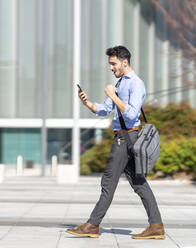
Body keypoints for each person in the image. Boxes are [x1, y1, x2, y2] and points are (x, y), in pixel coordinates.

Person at [66, 46, 165, 239]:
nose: (111, 68)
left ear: (124, 62)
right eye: (110, 64)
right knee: (139, 183)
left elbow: (132, 113)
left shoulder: (136, 84)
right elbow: (105, 109)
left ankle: (93, 225)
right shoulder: (120, 84)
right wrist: (88, 103)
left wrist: (113, 95)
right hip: (124, 137)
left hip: (126, 138)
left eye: (113, 63)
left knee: (109, 181)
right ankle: (156, 225)